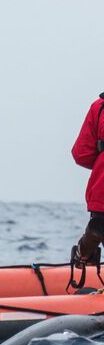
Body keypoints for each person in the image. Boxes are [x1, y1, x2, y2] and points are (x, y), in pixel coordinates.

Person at [71, 92, 104, 264]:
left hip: (102, 186)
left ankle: (85, 250)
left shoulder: (99, 106)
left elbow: (81, 154)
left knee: (100, 223)